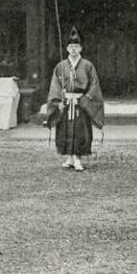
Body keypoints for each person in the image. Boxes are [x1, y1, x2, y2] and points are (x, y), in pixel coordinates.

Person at [46, 27, 105, 172]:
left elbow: (94, 85)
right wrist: (58, 101)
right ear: (66, 48)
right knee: (64, 129)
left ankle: (78, 159)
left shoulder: (87, 65)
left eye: (76, 46)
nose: (73, 49)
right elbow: (55, 85)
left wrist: (85, 100)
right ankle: (69, 158)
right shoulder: (61, 66)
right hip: (66, 103)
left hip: (81, 103)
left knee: (80, 131)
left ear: (81, 48)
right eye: (71, 46)